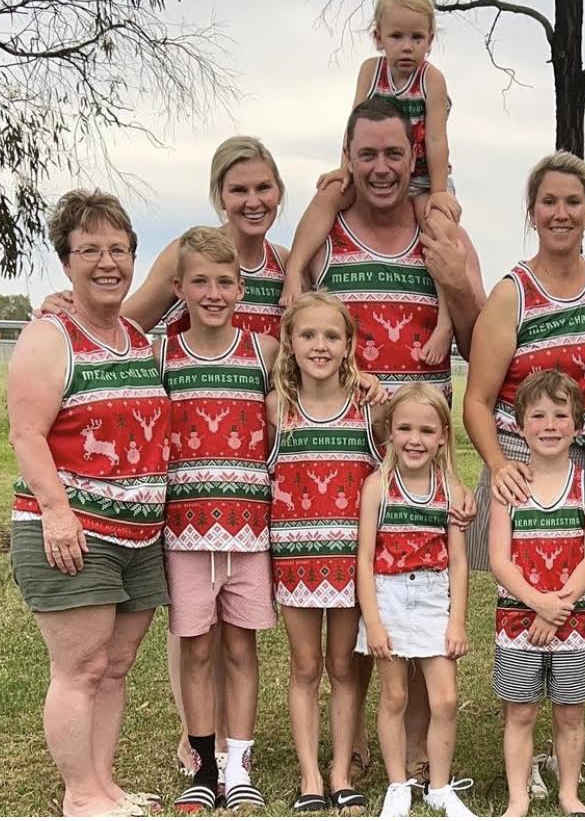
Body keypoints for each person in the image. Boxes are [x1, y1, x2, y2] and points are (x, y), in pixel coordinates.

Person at [38, 135, 292, 777]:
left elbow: (317, 347)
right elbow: (120, 321)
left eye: (263, 188)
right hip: (187, 498)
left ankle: (233, 751)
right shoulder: (182, 268)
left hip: (247, 489)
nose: (252, 200)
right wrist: (69, 306)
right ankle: (197, 741)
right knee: (194, 631)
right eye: (238, 189)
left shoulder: (288, 268)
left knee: (239, 638)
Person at [301, 95, 486, 787]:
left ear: (416, 159)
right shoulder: (325, 235)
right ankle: (355, 749)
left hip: (422, 450)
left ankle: (416, 759)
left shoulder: (442, 233)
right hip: (346, 451)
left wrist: (454, 283)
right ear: (347, 158)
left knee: (424, 590)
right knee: (364, 604)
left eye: (394, 154)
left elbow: (478, 337)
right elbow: (285, 312)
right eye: (367, 154)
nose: (381, 168)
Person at [8, 189, 171, 817]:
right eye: (90, 250)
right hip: (74, 532)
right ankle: (80, 795)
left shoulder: (135, 335)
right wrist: (56, 511)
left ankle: (105, 785)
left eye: (119, 250)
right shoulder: (50, 336)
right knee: (79, 667)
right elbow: (27, 434)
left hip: (138, 536)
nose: (107, 262)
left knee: (115, 664)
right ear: (66, 261)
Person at [157, 227, 278, 812]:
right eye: (200, 281)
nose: (213, 293)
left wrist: (366, 381)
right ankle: (204, 767)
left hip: (249, 531)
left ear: (241, 288)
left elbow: (321, 379)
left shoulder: (264, 352)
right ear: (178, 287)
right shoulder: (161, 356)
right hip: (185, 532)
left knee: (240, 648)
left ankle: (238, 764)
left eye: (225, 282)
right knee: (197, 649)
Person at [463, 150, 585, 576]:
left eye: (573, 202)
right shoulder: (511, 294)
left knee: (584, 589)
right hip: (526, 459)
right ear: (532, 213)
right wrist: (499, 466)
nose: (561, 213)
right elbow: (477, 401)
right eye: (548, 202)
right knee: (524, 586)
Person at [282, 0, 459, 373]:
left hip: (423, 175)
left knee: (439, 230)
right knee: (330, 193)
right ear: (378, 37)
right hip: (375, 171)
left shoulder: (432, 80)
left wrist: (438, 192)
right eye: (397, 37)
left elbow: (435, 138)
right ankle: (295, 271)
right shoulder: (370, 70)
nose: (407, 47)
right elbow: (356, 123)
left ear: (431, 40)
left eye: (417, 38)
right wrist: (345, 168)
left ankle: (445, 323)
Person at [266, 291, 383, 813]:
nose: (320, 345)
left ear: (349, 345)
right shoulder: (277, 409)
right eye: (308, 334)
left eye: (332, 336)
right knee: (305, 666)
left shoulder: (367, 410)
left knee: (343, 667)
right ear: (290, 342)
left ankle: (340, 770)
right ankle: (309, 775)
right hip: (296, 562)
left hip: (350, 564)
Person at [489, 369, 585, 817]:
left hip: (574, 624)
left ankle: (569, 794)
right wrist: (538, 603)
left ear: (577, 425)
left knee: (570, 713)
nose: (550, 425)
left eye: (561, 415)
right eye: (538, 416)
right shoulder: (509, 490)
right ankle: (518, 798)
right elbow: (500, 560)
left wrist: (556, 608)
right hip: (518, 623)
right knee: (520, 712)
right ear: (520, 425)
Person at [356, 384, 475, 818]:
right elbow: (364, 559)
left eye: (426, 430)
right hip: (388, 596)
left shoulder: (451, 490)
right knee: (394, 696)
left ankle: (439, 787)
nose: (414, 439)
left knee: (445, 699)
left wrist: (457, 620)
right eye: (405, 428)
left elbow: (458, 561)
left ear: (443, 435)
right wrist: (373, 622)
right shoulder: (377, 486)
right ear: (389, 430)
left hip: (432, 597)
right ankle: (397, 785)